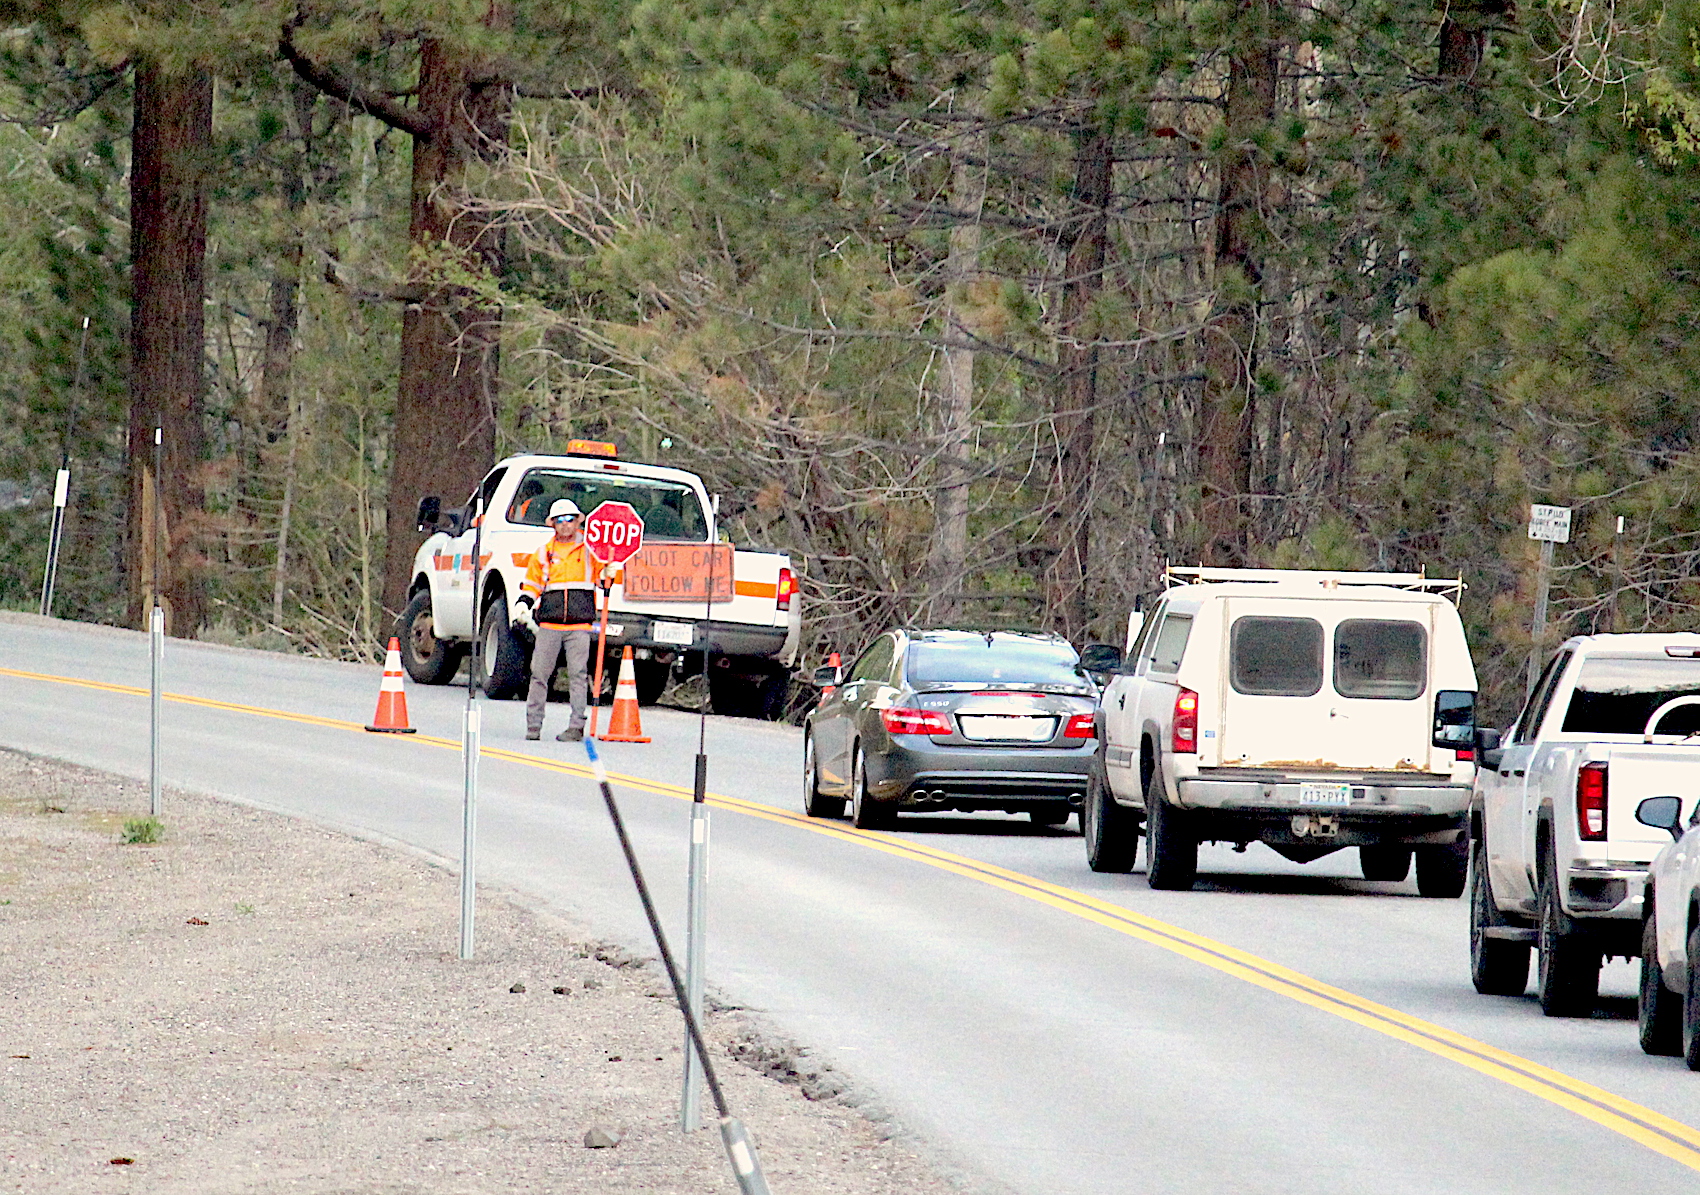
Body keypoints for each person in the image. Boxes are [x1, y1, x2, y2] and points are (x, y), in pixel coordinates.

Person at [511, 500, 621, 741]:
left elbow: (605, 580)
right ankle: (533, 726)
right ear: (553, 524)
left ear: (577, 521)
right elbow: (532, 584)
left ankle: (576, 727)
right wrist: (523, 604)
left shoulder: (590, 550)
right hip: (549, 625)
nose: (565, 525)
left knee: (578, 676)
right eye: (559, 520)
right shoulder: (543, 552)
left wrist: (610, 572)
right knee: (539, 675)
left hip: (579, 626)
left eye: (569, 519)